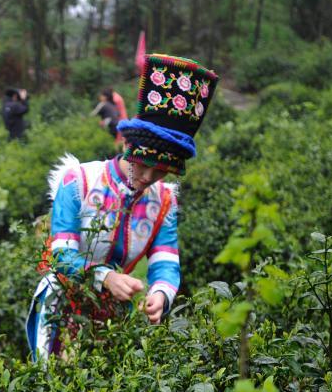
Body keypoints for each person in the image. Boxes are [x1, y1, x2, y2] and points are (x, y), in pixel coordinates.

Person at [27, 54, 219, 361]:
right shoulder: (78, 181)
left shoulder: (164, 201)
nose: (149, 178)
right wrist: (105, 278)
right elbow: (61, 255)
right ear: (129, 148)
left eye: (161, 173)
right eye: (144, 166)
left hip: (117, 316)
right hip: (61, 308)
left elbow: (166, 261)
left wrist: (160, 294)